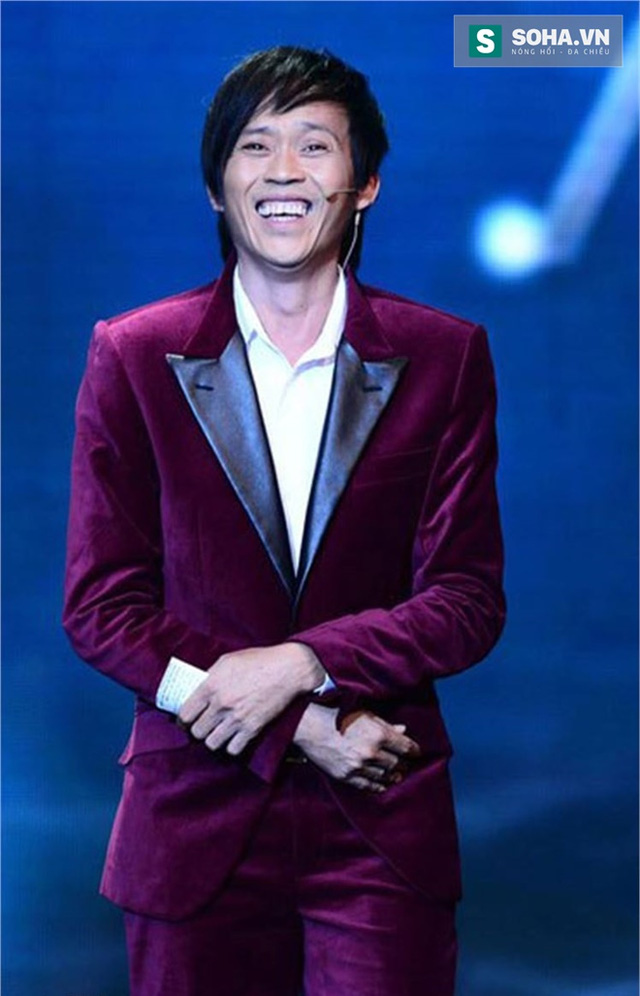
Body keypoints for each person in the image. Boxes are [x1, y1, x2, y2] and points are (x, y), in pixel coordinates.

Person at [63, 45, 505, 996]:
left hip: (379, 814)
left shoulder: (444, 355)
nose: (284, 172)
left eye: (315, 145)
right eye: (255, 146)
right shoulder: (134, 355)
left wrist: (305, 663)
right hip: (193, 813)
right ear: (217, 187)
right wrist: (299, 722)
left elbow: (467, 600)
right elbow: (101, 608)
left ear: (365, 184)